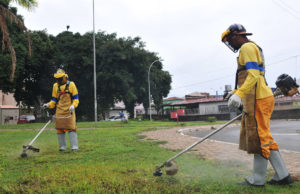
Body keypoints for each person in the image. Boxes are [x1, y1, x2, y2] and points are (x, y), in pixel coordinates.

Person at [221, 24, 294, 186]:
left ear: (236, 36)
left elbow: (253, 74)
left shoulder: (246, 47)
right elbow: (252, 75)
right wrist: (236, 93)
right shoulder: (253, 47)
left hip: (258, 98)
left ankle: (258, 179)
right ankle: (283, 175)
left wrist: (239, 94)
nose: (230, 44)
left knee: (259, 138)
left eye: (230, 40)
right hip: (260, 97)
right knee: (264, 137)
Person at [43, 69, 79, 152]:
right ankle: (62, 147)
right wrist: (48, 105)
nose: (58, 80)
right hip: (59, 111)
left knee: (71, 128)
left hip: (69, 110)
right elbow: (54, 100)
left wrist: (73, 105)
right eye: (57, 79)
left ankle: (74, 147)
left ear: (64, 77)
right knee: (59, 128)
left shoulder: (71, 85)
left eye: (59, 79)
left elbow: (76, 98)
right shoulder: (55, 86)